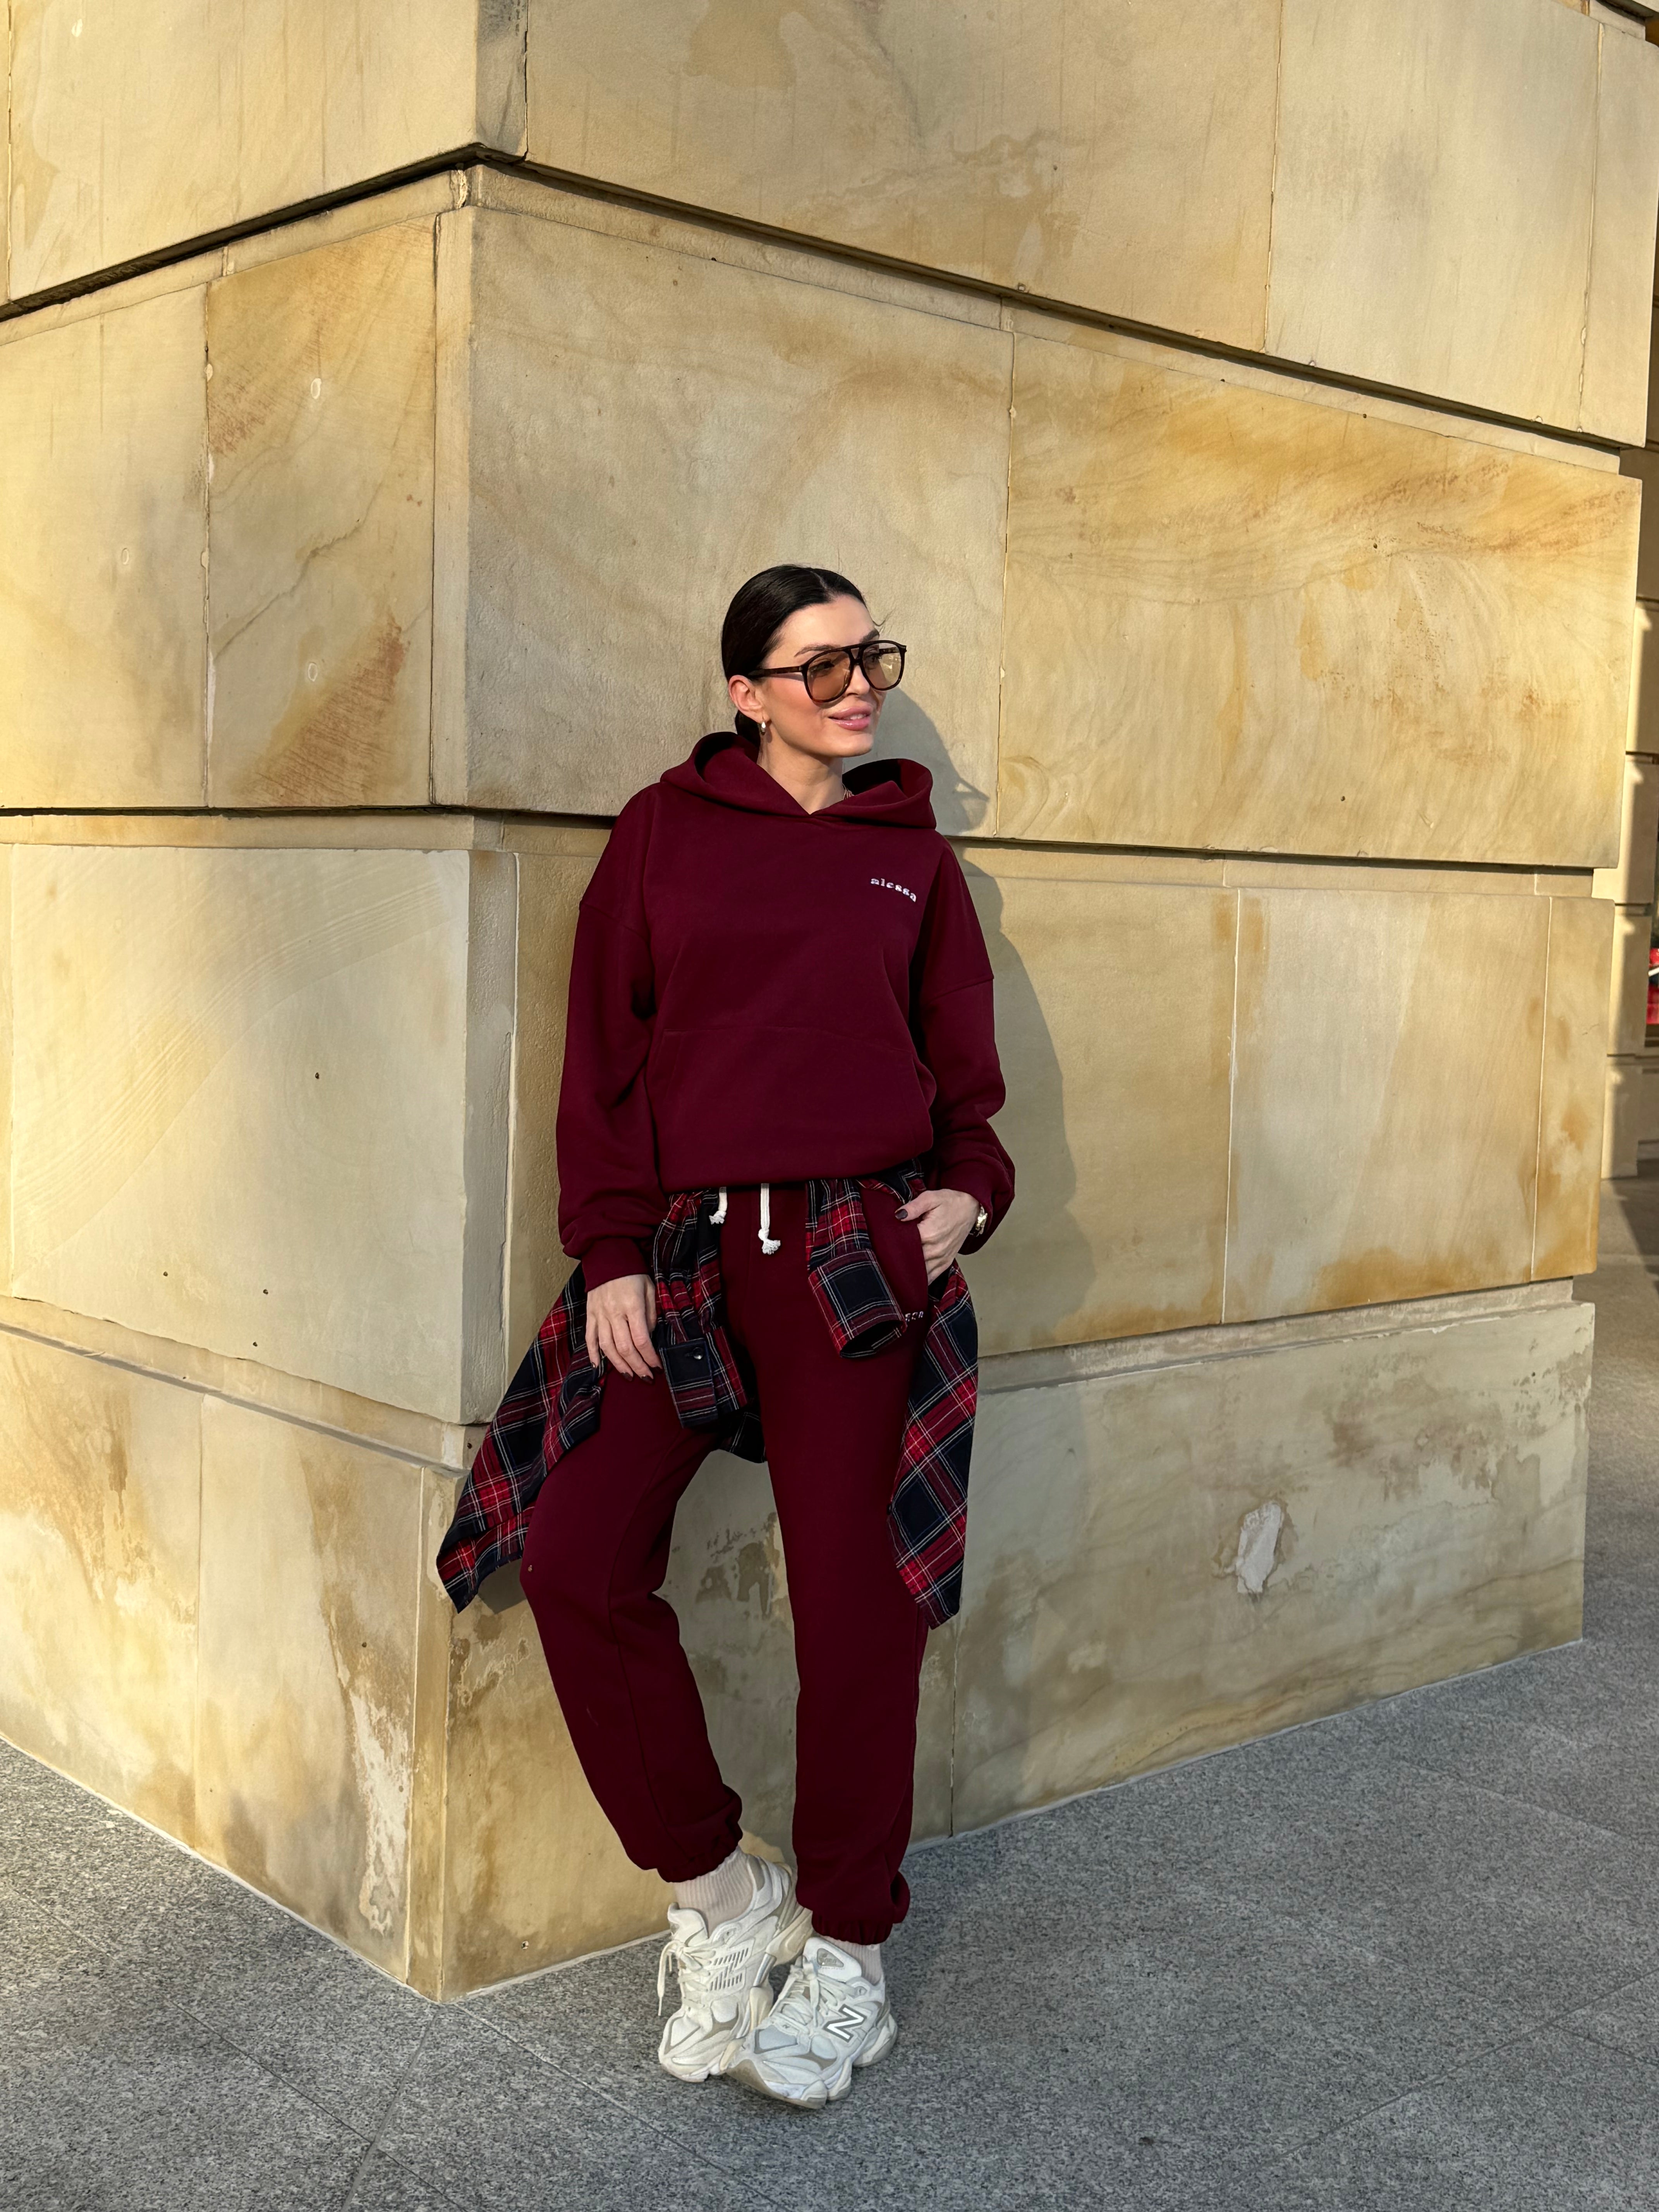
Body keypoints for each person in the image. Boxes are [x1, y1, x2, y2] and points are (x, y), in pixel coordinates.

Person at [436, 564, 1014, 2109]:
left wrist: (966, 1197)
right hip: (685, 1260)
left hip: (852, 1264)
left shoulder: (912, 861)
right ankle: (721, 1893)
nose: (857, 685)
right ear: (746, 691)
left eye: (871, 657)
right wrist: (611, 1252)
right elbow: (602, 1063)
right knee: (575, 1557)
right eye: (820, 664)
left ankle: (850, 1952)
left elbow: (967, 1083)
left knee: (855, 1608)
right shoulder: (662, 833)